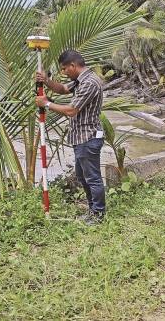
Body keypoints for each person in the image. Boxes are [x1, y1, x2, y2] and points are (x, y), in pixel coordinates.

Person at [35, 50, 105, 225]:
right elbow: (64, 89)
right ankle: (92, 210)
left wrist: (47, 104)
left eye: (65, 69)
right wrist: (47, 81)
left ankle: (98, 214)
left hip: (88, 137)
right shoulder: (80, 80)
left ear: (73, 66)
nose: (64, 73)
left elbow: (72, 110)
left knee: (92, 178)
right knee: (83, 177)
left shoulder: (90, 83)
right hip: (80, 138)